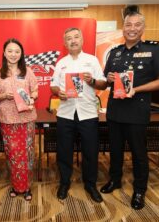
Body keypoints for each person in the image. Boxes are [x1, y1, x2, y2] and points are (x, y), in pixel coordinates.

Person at [102, 11, 159, 210]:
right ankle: (115, 180)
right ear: (123, 28)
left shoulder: (153, 50)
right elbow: (107, 78)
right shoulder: (115, 52)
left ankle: (140, 190)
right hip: (115, 112)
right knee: (114, 151)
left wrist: (137, 89)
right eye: (128, 25)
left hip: (136, 112)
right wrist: (109, 79)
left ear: (143, 28)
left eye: (137, 25)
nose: (132, 28)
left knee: (139, 154)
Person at [50, 27, 107, 202]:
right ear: (65, 43)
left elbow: (103, 84)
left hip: (88, 113)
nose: (73, 40)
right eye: (69, 38)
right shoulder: (61, 63)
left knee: (90, 151)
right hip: (66, 113)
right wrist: (58, 92)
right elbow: (53, 85)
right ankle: (64, 182)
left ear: (82, 40)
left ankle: (90, 184)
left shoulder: (92, 60)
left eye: (76, 37)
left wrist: (92, 81)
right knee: (64, 151)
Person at [0, 38, 38, 201]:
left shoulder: (28, 71)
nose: (13, 54)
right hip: (8, 120)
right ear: (4, 53)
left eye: (17, 51)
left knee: (27, 153)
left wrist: (32, 98)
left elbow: (35, 90)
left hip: (27, 119)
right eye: (10, 51)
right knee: (13, 154)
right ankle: (16, 186)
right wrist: (4, 95)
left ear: (21, 54)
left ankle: (27, 186)